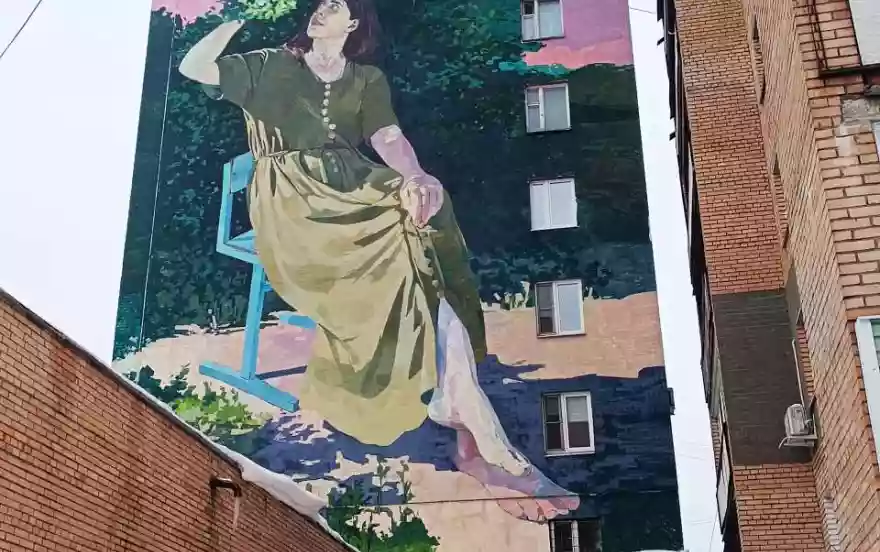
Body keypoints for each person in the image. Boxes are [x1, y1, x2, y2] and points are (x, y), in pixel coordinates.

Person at [179, 0, 579, 521]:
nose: (321, 10)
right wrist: (237, 20)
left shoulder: (366, 78)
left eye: (335, 6)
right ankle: (464, 412)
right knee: (405, 243)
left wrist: (415, 175)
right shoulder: (270, 63)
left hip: (355, 184)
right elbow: (194, 67)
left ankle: (465, 408)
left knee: (425, 207)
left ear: (353, 24)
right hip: (293, 202)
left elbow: (387, 136)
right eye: (319, 4)